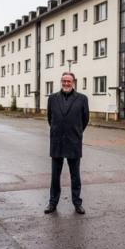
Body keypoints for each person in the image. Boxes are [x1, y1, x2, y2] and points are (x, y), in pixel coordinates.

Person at [44, 72, 89, 215]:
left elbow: (85, 119)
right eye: (64, 81)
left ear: (73, 82)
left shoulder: (82, 99)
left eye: (69, 81)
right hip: (57, 141)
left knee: (75, 175)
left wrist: (76, 132)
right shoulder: (52, 99)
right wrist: (58, 130)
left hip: (74, 141)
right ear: (61, 81)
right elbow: (50, 118)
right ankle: (52, 203)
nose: (66, 83)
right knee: (55, 176)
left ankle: (77, 203)